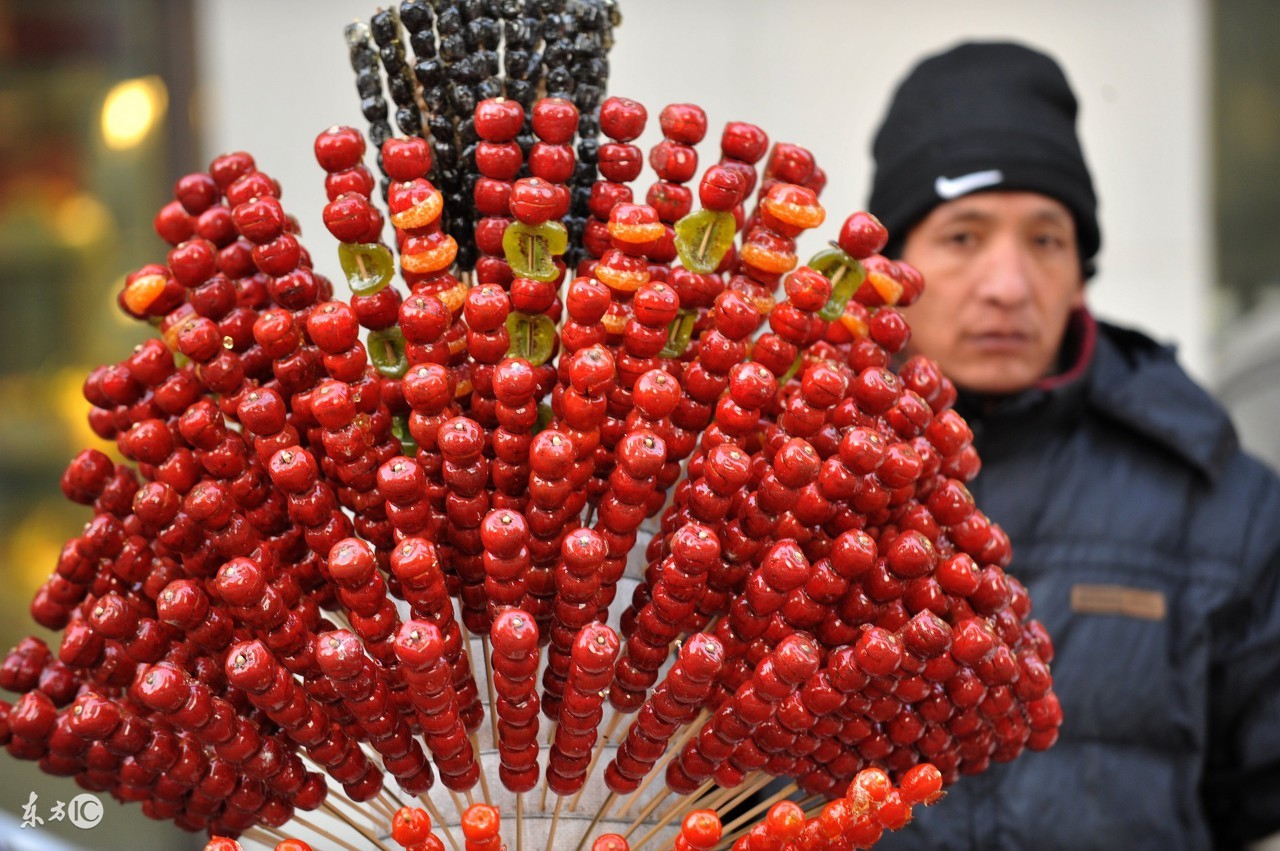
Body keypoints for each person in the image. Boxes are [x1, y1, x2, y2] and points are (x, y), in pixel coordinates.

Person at [864, 42, 1280, 850]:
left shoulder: (1218, 500)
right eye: (962, 237)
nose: (1009, 284)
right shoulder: (778, 482)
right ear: (890, 270)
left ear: (1081, 269)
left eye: (1046, 240)